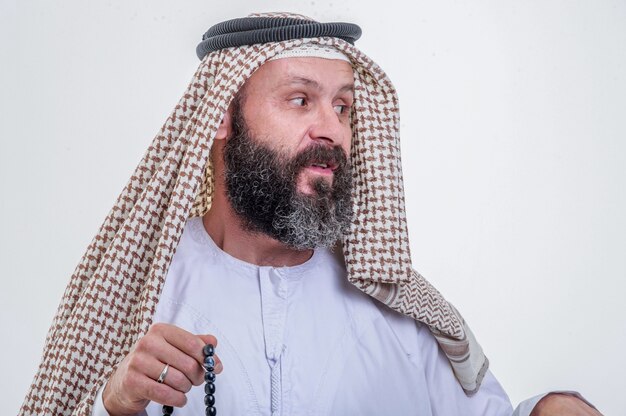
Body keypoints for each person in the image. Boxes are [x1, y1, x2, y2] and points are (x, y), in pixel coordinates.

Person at [20, 12, 601, 416]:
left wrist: (547, 409)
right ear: (220, 118)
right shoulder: (140, 291)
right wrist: (115, 405)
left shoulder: (397, 310)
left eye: (343, 106)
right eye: (300, 100)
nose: (332, 129)